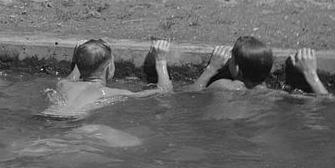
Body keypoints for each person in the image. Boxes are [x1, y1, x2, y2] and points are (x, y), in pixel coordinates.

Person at [43, 38, 172, 118]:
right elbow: (165, 91)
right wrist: (161, 61)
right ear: (109, 67)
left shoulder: (63, 85)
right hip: (72, 123)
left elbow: (73, 77)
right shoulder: (109, 93)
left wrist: (81, 56)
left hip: (44, 117)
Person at [189, 35, 273, 91]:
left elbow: (193, 95)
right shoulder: (266, 91)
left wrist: (212, 67)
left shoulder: (223, 86)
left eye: (231, 56)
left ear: (237, 68)